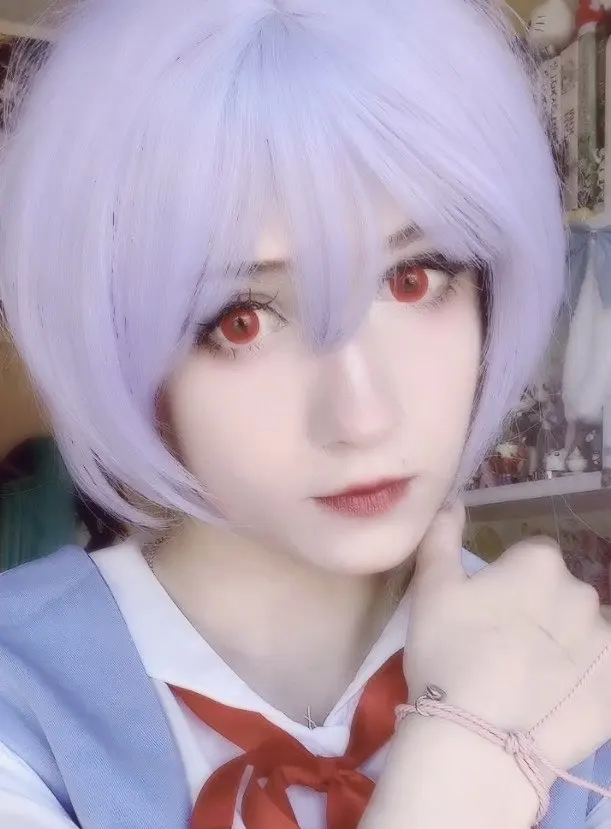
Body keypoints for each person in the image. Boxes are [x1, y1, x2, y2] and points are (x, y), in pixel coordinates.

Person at [1, 0, 611, 827]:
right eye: (242, 320)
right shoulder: (21, 692)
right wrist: (468, 764)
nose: (361, 415)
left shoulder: (572, 675)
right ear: (120, 346)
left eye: (412, 279)